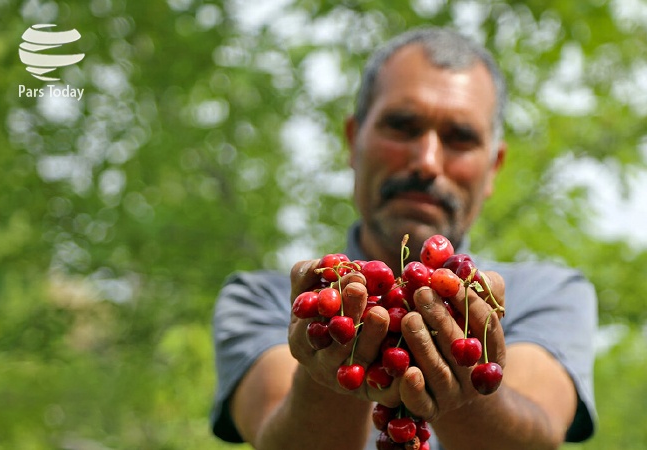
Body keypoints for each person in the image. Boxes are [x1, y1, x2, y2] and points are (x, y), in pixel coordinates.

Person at [210, 27, 597, 450]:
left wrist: (466, 385)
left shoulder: (547, 294)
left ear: (494, 167)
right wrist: (329, 368)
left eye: (460, 138)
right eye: (402, 126)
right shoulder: (264, 300)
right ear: (353, 141)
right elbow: (278, 438)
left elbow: (538, 438)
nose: (427, 162)